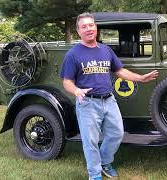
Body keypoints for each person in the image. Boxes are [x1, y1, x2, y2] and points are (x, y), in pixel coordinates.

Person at [60, 12, 158, 180]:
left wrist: (141, 78)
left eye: (91, 25)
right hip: (87, 103)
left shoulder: (106, 50)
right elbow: (66, 81)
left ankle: (105, 161)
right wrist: (76, 91)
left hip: (109, 100)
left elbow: (120, 71)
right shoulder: (73, 54)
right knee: (90, 141)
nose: (89, 29)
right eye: (84, 27)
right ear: (78, 31)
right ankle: (95, 174)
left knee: (117, 134)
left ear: (95, 27)